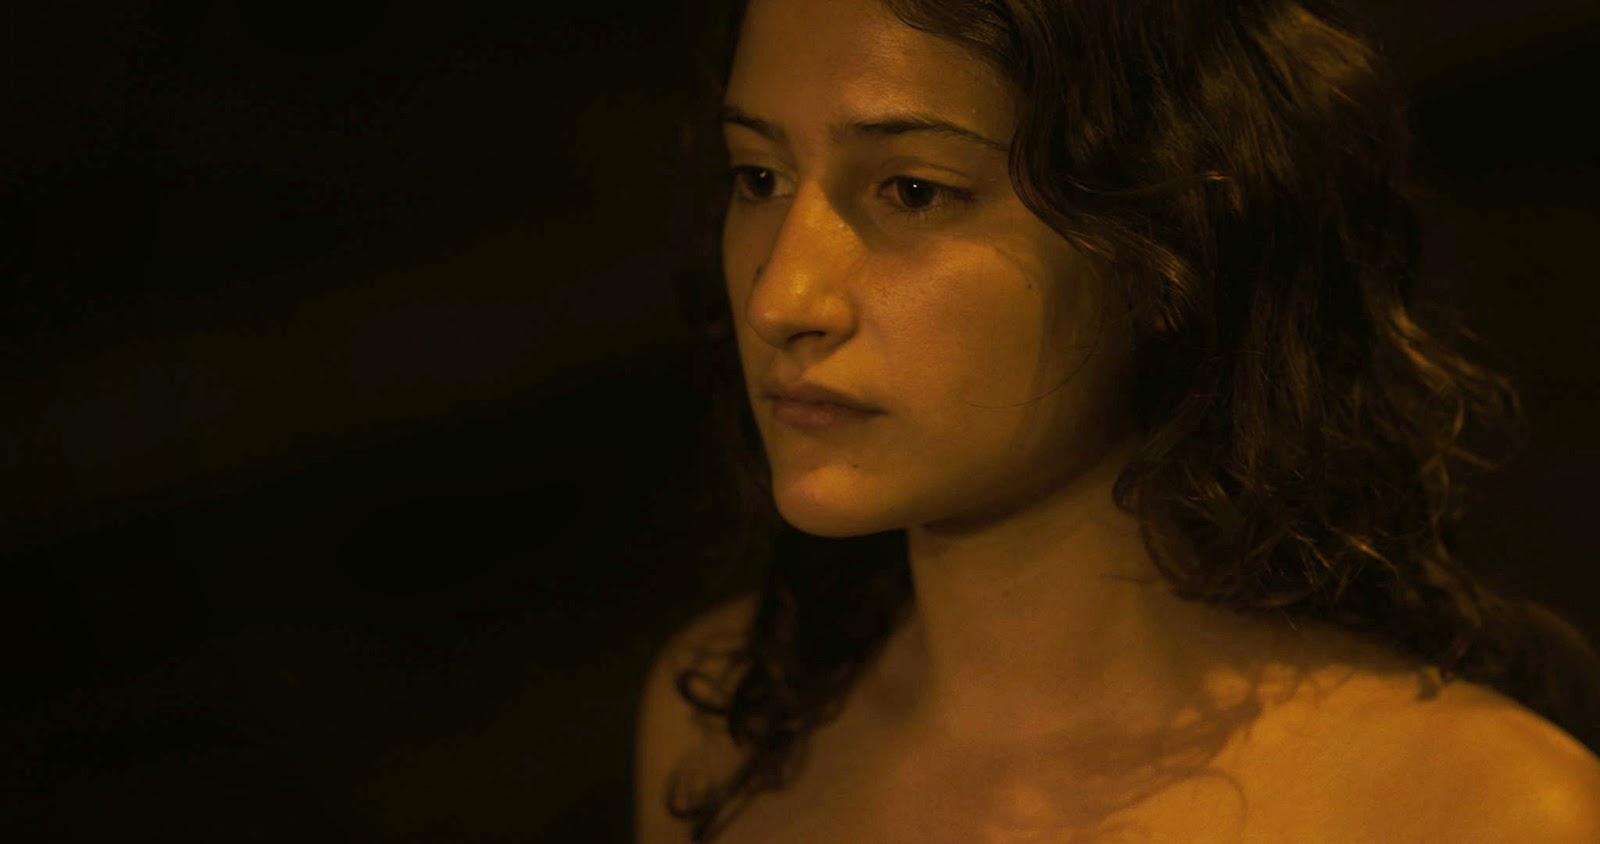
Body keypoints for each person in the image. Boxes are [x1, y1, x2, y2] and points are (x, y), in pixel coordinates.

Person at [635, 0, 1600, 841]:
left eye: (914, 192)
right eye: (758, 177)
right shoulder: (725, 726)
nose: (780, 297)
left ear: (1168, 228)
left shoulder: (1480, 814)